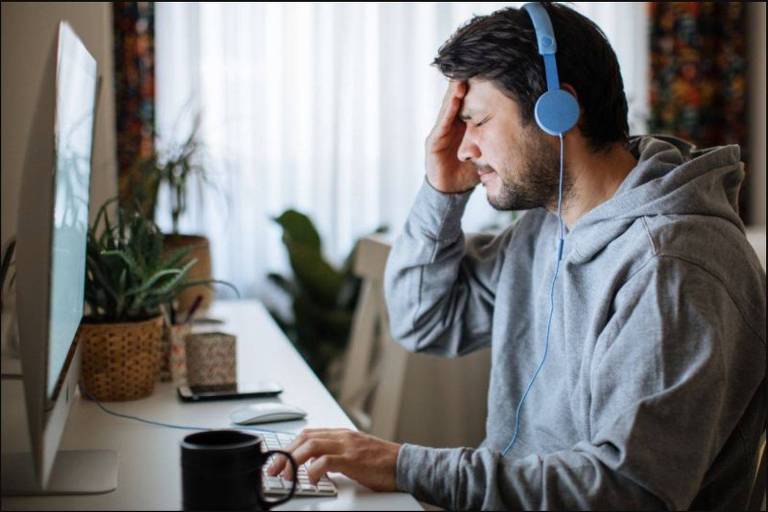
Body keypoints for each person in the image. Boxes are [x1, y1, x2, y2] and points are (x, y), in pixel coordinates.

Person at [268, 3, 766, 509]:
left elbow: (626, 491)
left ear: (558, 109)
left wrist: (402, 466)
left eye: (477, 120)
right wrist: (442, 192)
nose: (462, 148)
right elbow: (424, 321)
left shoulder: (671, 268)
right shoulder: (543, 228)